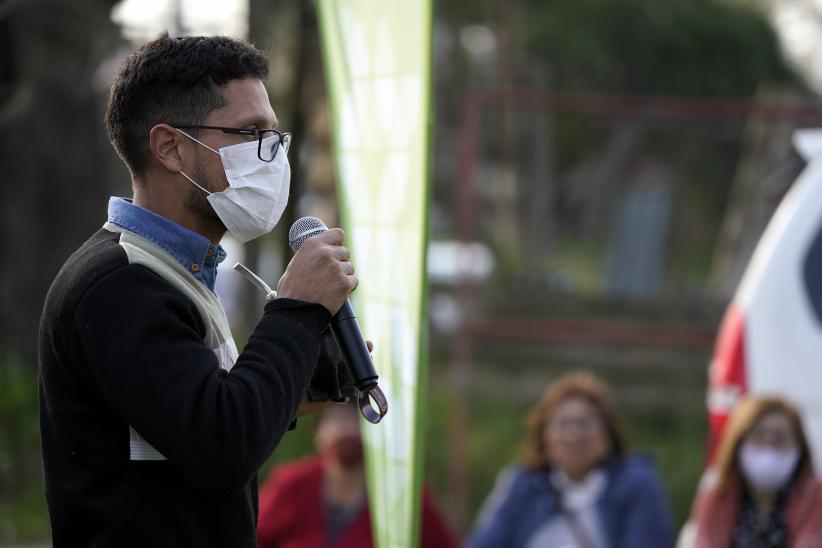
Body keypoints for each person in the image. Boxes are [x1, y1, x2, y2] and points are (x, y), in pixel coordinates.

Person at [37, 33, 359, 547]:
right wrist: (295, 310)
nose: (271, 155)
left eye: (274, 135)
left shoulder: (177, 272)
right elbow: (221, 448)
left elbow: (190, 424)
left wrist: (294, 387)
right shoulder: (120, 282)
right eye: (250, 133)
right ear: (170, 147)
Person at [469, 371, 674, 548]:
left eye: (584, 423)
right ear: (544, 437)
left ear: (607, 431)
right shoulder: (522, 485)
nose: (574, 435)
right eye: (562, 425)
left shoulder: (637, 485)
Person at [256, 403, 458, 548]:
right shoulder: (291, 485)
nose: (345, 427)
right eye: (335, 418)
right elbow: (253, 537)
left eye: (354, 417)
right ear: (318, 434)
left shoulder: (402, 491)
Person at [688, 396, 822, 547]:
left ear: (799, 447)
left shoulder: (815, 498)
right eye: (758, 435)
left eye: (780, 438)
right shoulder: (717, 494)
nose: (768, 447)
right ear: (738, 442)